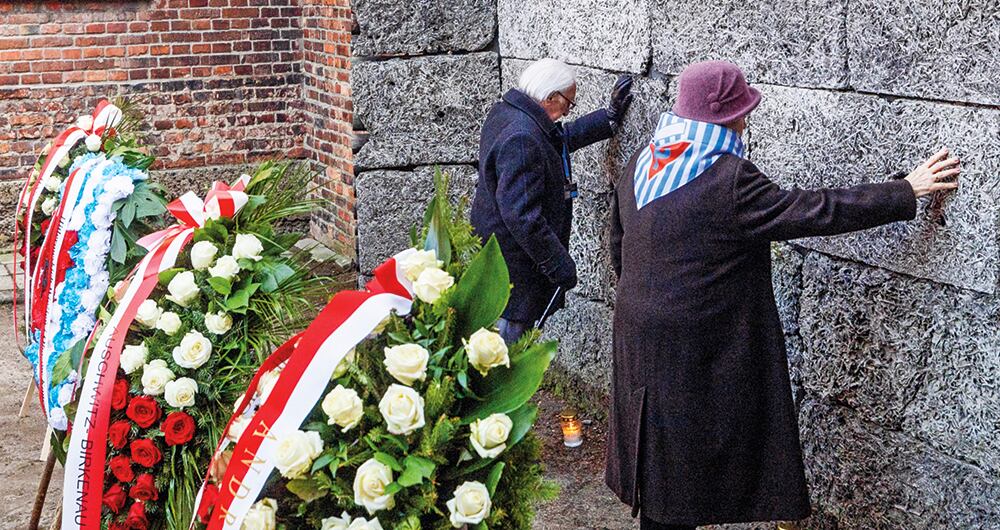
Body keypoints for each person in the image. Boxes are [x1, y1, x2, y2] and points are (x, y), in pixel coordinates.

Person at [605, 60, 961, 530]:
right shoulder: (728, 178)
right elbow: (813, 210)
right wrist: (904, 191)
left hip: (637, 337)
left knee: (658, 461)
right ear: (728, 118)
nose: (746, 120)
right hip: (696, 349)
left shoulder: (640, 166)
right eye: (742, 112)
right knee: (684, 475)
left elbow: (618, 246)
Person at [471, 58, 634, 343]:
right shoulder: (522, 137)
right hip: (514, 273)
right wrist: (560, 265)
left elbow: (554, 141)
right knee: (505, 361)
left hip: (503, 263)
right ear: (550, 98)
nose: (568, 110)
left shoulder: (508, 114)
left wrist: (606, 119)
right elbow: (522, 217)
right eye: (569, 104)